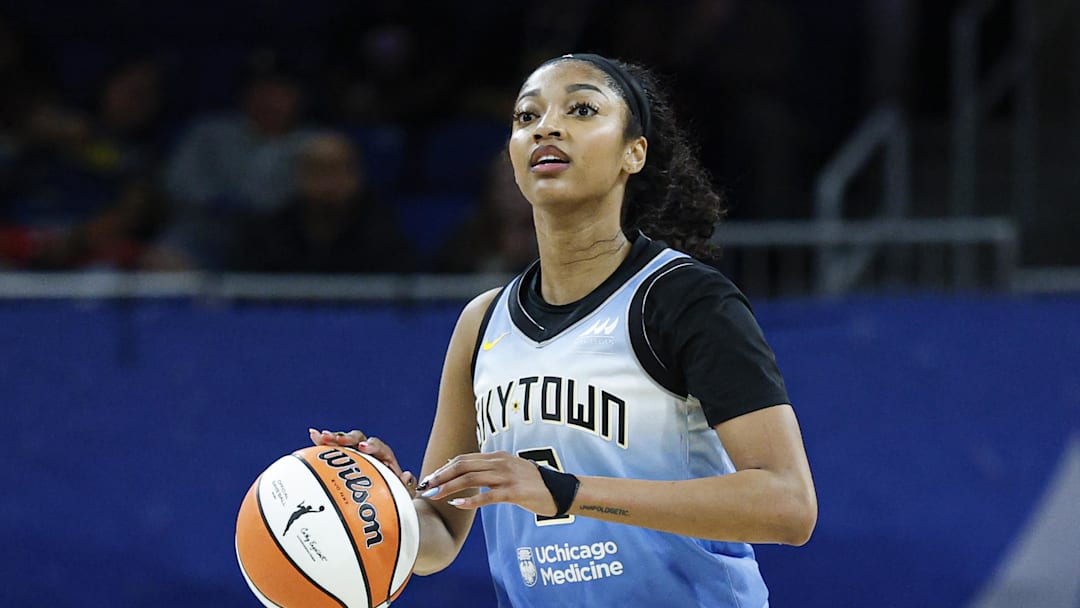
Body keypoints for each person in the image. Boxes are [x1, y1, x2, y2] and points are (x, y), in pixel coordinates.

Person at [311, 53, 816, 607]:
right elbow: (440, 536)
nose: (546, 127)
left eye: (581, 109)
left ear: (634, 152)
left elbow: (788, 505)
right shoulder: (483, 322)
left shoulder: (684, 299)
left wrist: (566, 492)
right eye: (527, 116)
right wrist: (385, 508)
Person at [229, 132, 416, 273]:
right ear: (299, 176)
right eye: (318, 171)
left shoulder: (383, 233)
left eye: (339, 171)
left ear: (357, 176)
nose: (329, 183)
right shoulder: (267, 235)